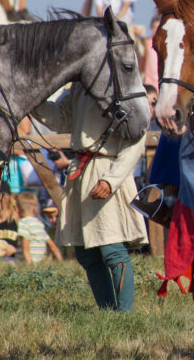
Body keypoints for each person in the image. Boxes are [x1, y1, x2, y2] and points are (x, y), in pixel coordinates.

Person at [32, 85, 147, 311]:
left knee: (111, 248)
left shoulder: (122, 82)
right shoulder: (79, 85)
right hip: (81, 173)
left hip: (106, 168)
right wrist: (32, 98)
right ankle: (107, 312)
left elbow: (137, 138)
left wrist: (111, 179)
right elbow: (61, 119)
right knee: (86, 253)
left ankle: (125, 316)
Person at [16, 191, 62, 264]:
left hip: (28, 263)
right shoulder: (39, 224)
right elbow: (52, 246)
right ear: (36, 209)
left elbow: (26, 249)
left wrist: (29, 266)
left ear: (17, 209)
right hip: (40, 263)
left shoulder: (23, 223)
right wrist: (61, 262)